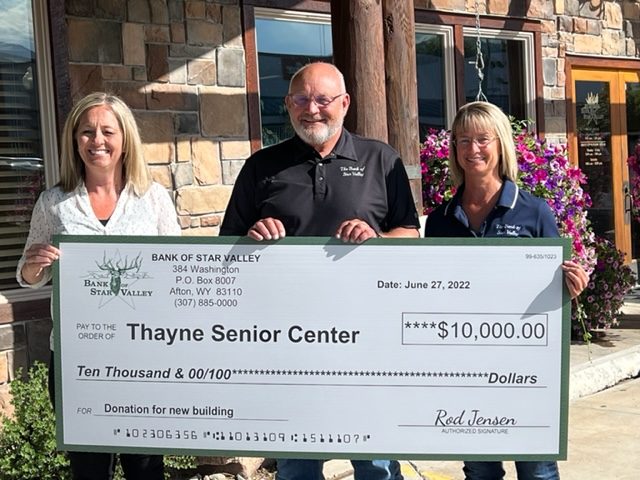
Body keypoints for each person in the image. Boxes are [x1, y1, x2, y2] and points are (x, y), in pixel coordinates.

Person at [220, 62, 419, 480]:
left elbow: (410, 234)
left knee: (376, 464)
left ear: (344, 103)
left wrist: (378, 240)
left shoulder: (381, 160)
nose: (312, 109)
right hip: (289, 343)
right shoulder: (261, 166)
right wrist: (252, 237)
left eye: (323, 99)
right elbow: (227, 248)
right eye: (301, 99)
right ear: (288, 105)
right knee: (297, 466)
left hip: (367, 341)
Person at [16, 92, 181, 480]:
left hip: (143, 356)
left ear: (125, 139)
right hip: (78, 358)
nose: (97, 140)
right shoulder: (54, 202)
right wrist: (35, 266)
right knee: (88, 468)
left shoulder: (152, 198)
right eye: (87, 132)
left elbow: (175, 268)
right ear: (75, 140)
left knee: (146, 467)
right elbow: (28, 275)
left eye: (108, 131)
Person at [424, 101, 589, 480]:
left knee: (537, 471)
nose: (473, 149)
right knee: (479, 471)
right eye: (463, 140)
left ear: (500, 144)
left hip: (524, 368)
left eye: (483, 139)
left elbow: (556, 286)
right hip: (464, 369)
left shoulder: (534, 211)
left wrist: (572, 285)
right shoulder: (440, 220)